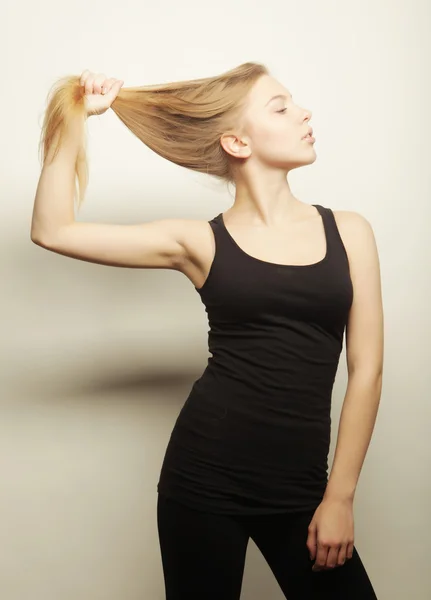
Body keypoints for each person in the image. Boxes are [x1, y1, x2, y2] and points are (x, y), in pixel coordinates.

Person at [31, 63, 384, 599]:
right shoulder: (199, 242)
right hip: (203, 479)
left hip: (305, 488)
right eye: (281, 107)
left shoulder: (350, 231)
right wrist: (75, 117)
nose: (304, 113)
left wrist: (340, 496)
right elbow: (52, 230)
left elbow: (367, 370)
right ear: (237, 141)